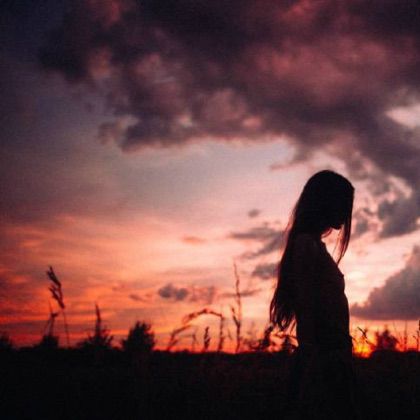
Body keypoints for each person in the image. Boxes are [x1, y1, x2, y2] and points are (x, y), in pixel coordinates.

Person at [269, 170, 363, 419]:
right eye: (343, 203)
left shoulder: (312, 245)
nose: (346, 212)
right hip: (326, 360)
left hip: (335, 358)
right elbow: (307, 311)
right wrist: (312, 368)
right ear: (326, 201)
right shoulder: (306, 245)